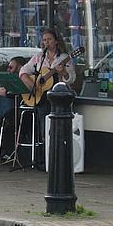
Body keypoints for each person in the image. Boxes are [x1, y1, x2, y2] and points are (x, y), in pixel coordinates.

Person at [18, 29, 76, 160]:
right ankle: (46, 156)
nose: (46, 42)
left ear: (56, 41)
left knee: (59, 127)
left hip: (59, 98)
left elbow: (71, 78)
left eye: (49, 39)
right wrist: (30, 84)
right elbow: (23, 70)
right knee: (44, 126)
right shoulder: (39, 57)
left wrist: (62, 73)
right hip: (42, 98)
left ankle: (59, 157)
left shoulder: (63, 58)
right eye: (44, 40)